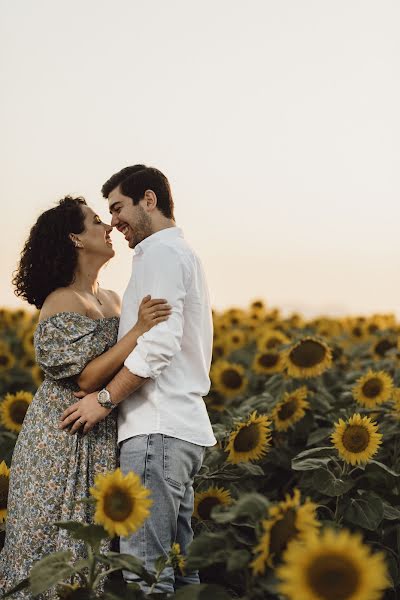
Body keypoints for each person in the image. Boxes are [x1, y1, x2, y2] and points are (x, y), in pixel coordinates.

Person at [0, 196, 171, 598]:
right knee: (50, 542)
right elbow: (88, 375)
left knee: (91, 547)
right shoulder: (61, 300)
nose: (109, 226)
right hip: (61, 435)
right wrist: (137, 331)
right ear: (75, 238)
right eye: (97, 221)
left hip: (99, 429)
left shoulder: (112, 298)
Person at [60, 165, 217, 595]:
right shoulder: (179, 253)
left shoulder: (162, 254)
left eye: (118, 208)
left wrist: (104, 400)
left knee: (146, 572)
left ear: (149, 200)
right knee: (179, 569)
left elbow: (160, 344)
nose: (113, 222)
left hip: (157, 431)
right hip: (177, 429)